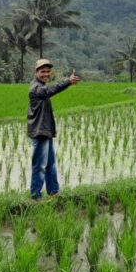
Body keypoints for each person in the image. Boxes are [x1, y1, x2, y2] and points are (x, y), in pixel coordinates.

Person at [28, 59, 80, 199]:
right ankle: (35, 196)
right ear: (36, 72)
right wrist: (68, 81)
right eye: (42, 71)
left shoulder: (41, 86)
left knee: (51, 164)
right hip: (39, 131)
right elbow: (50, 90)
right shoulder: (36, 88)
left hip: (46, 131)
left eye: (47, 71)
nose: (46, 74)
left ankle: (53, 192)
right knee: (39, 165)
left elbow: (50, 89)